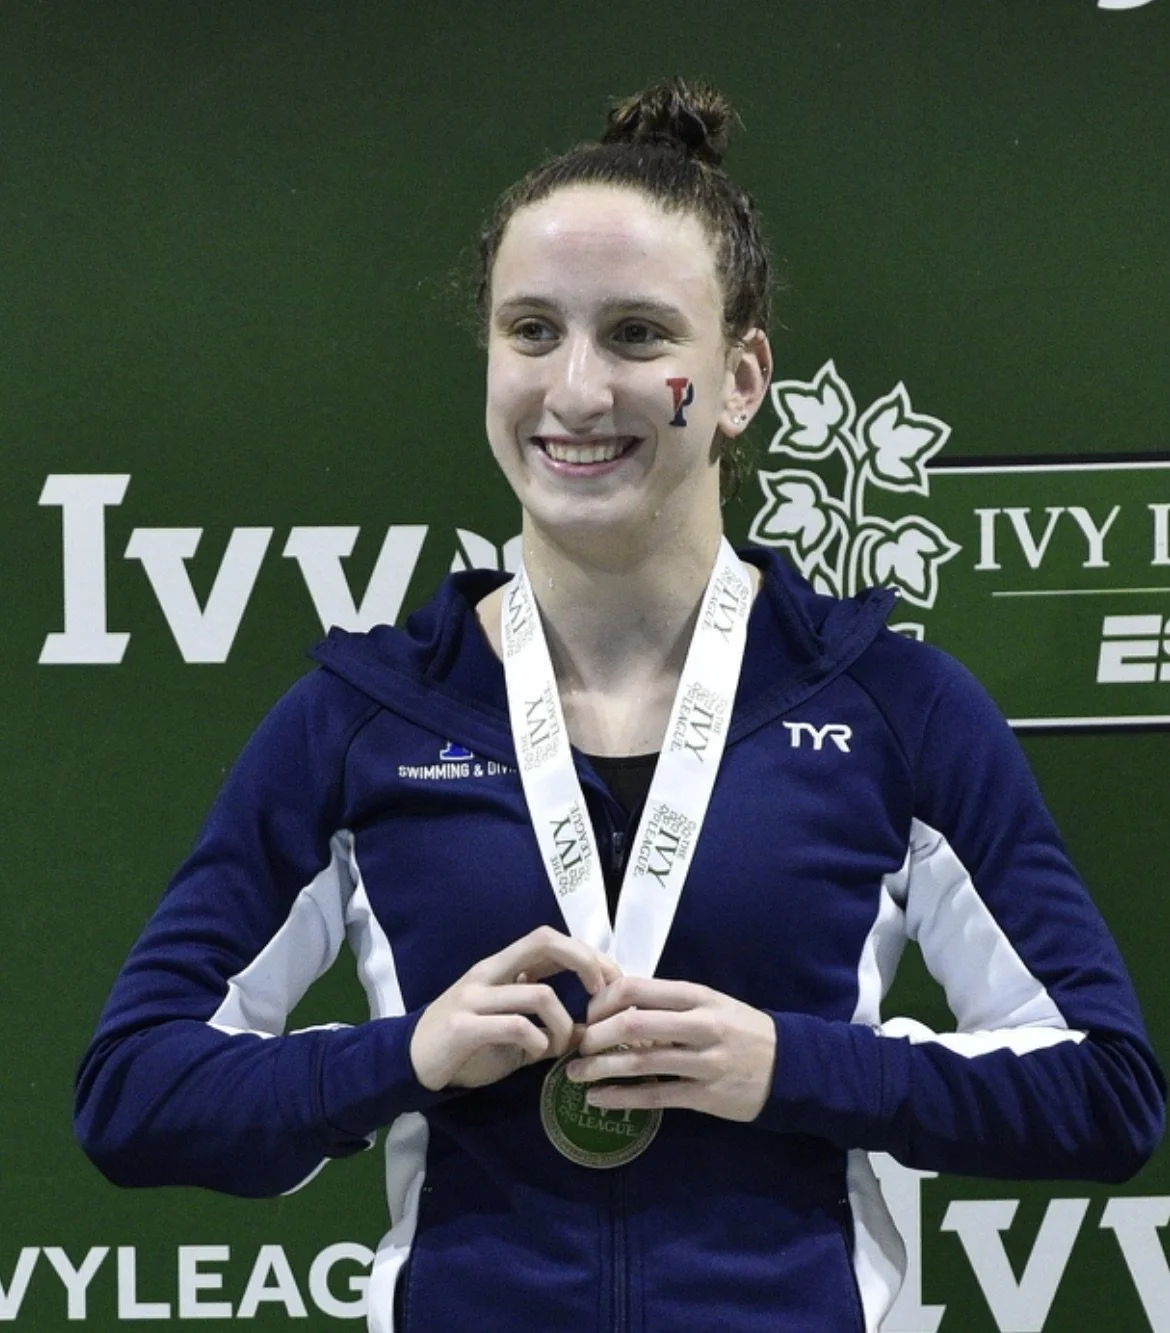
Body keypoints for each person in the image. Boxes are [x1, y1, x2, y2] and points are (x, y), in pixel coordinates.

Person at [75, 79, 1164, 1333]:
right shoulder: (365, 717)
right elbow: (133, 1091)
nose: (578, 392)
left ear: (740, 377)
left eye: (640, 336)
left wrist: (791, 1067)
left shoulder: (888, 707)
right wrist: (407, 1058)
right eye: (532, 331)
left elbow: (1104, 1089)